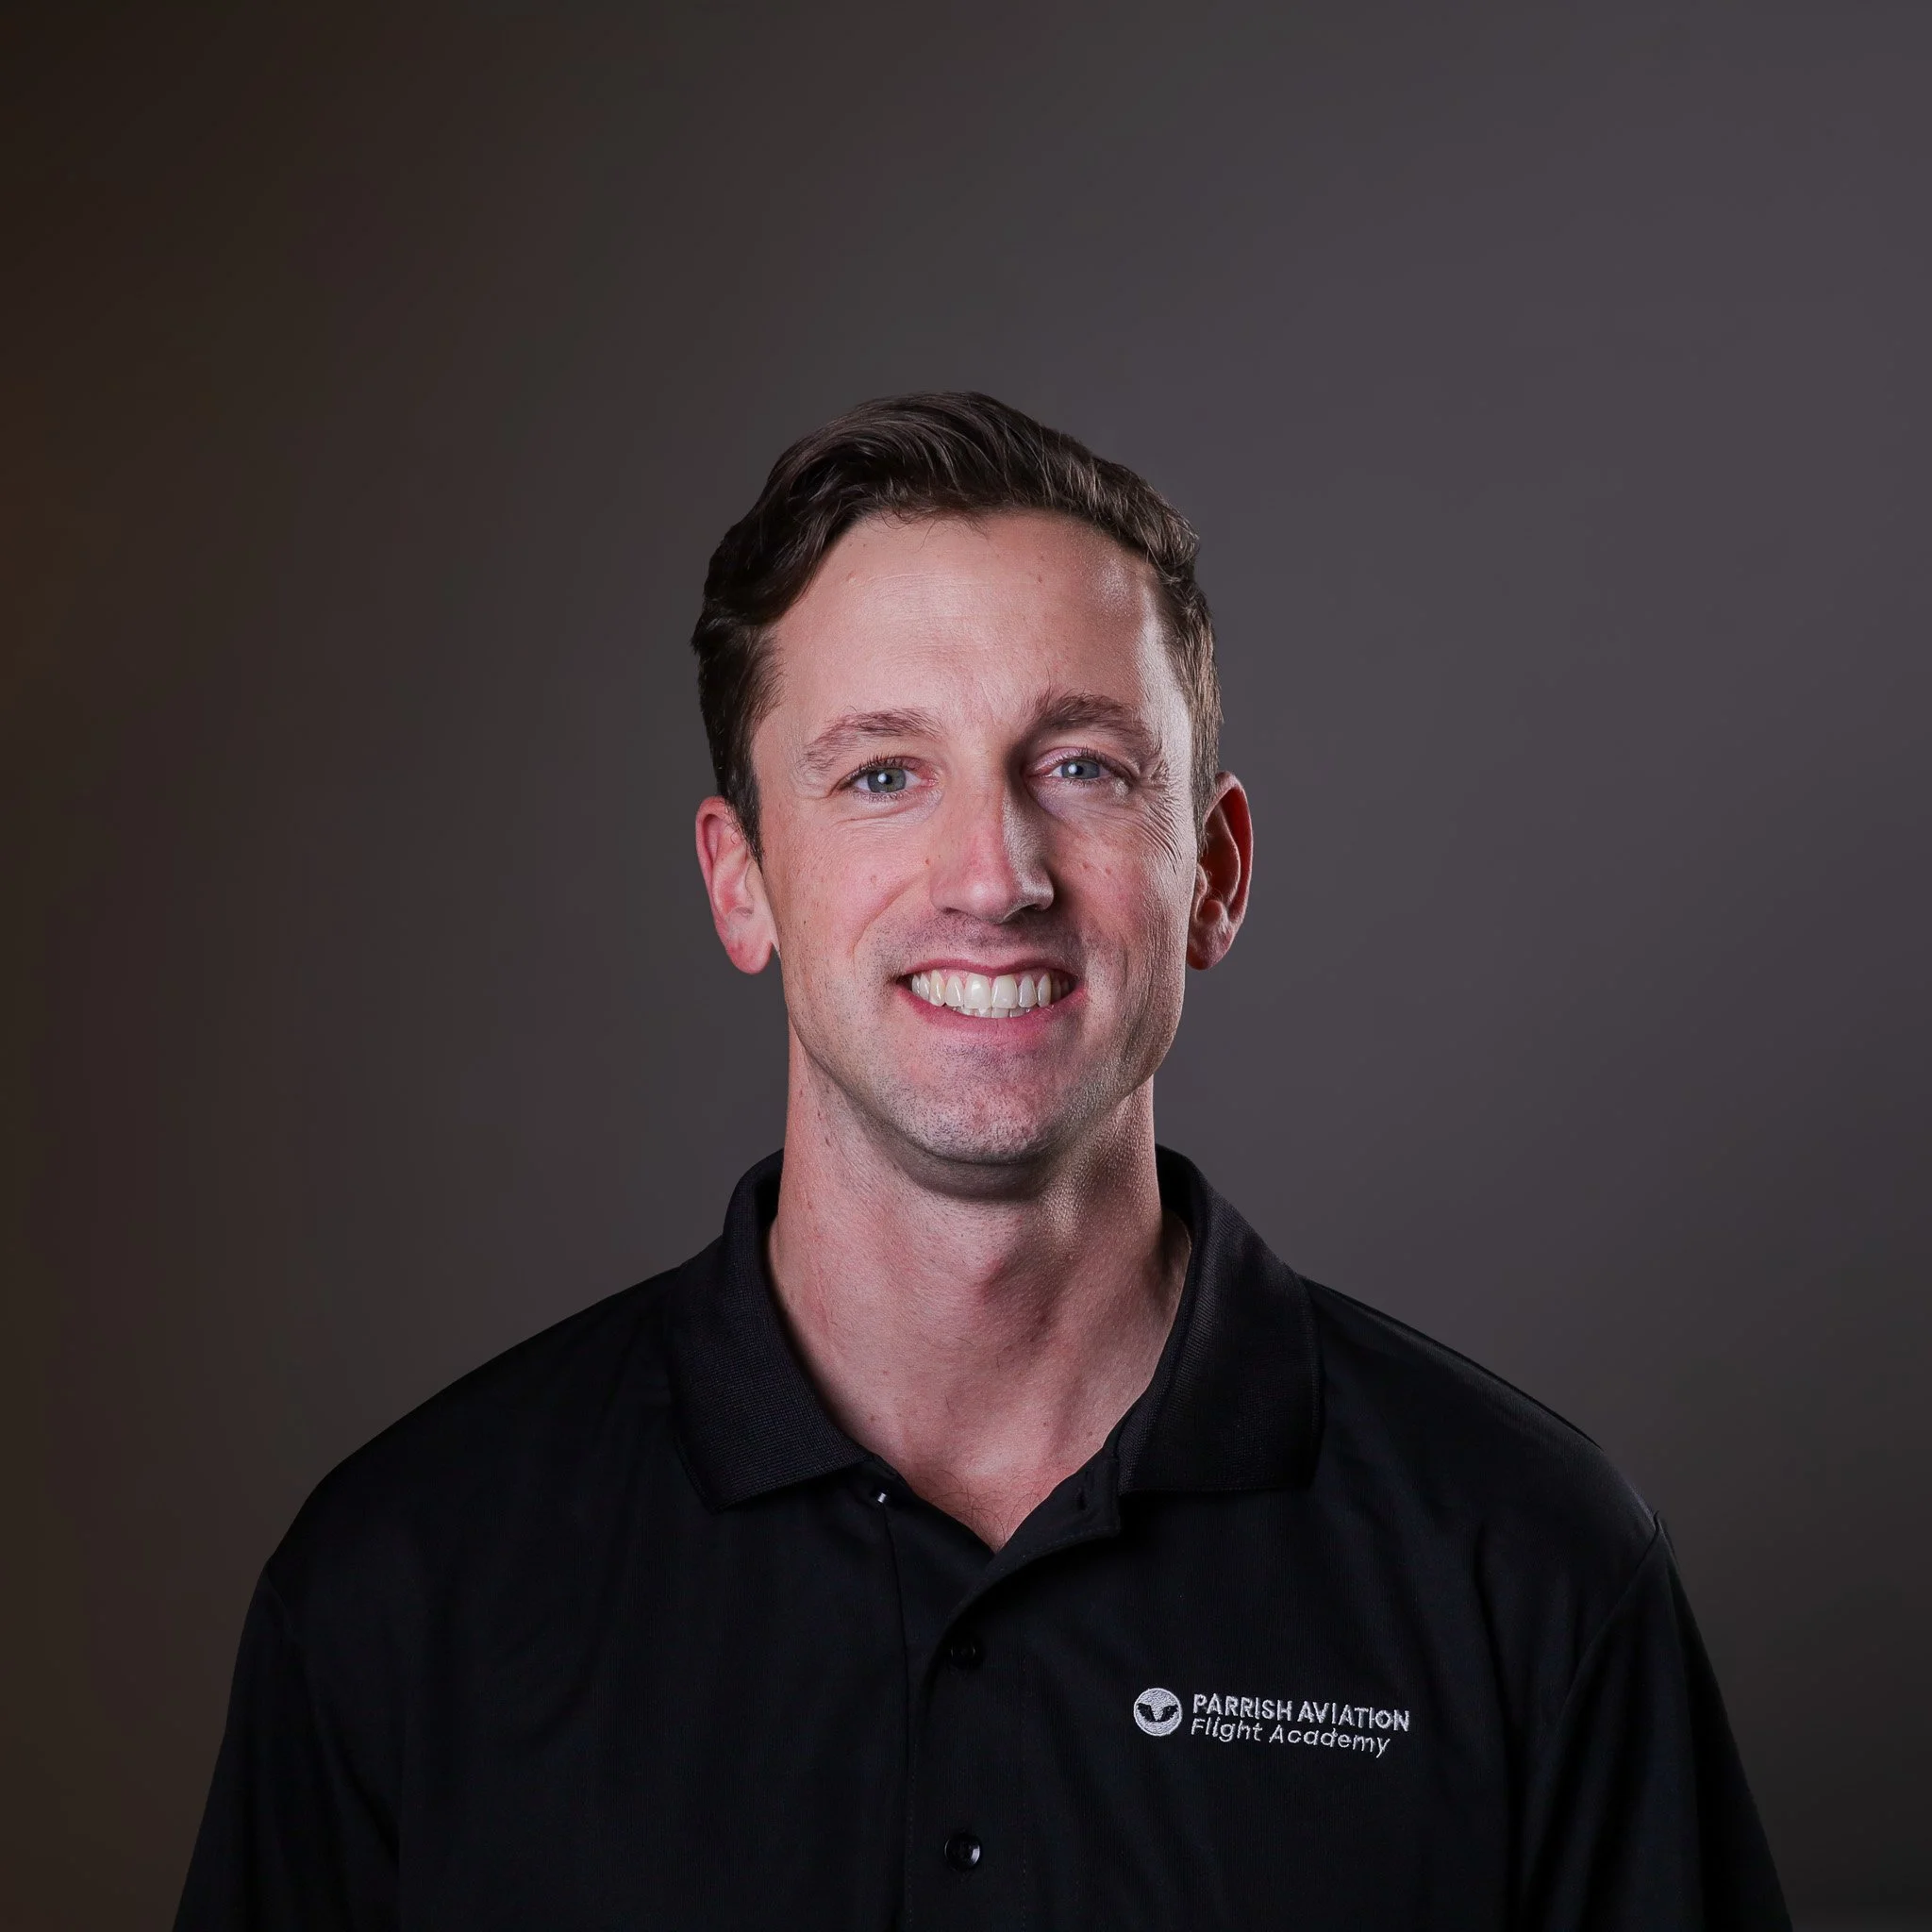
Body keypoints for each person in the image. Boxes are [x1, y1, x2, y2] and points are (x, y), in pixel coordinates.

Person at [176, 392, 1790, 1928]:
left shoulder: (1531, 1566)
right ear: (742, 883)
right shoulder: (407, 1585)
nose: (995, 874)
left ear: (1214, 873)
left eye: (1082, 765)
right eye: (884, 775)